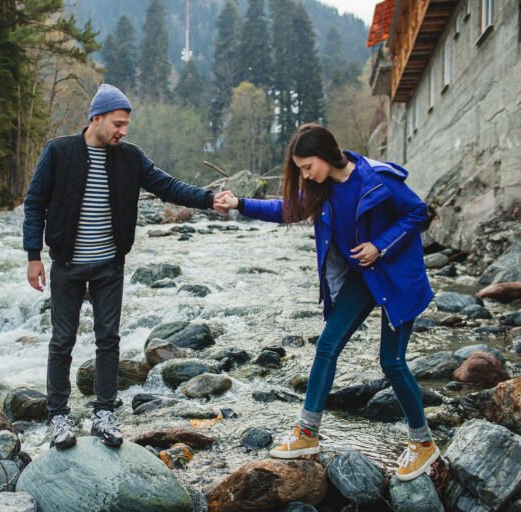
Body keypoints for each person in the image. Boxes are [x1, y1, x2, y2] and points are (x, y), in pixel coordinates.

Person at [214, 123, 438, 481]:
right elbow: (286, 209)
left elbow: (417, 212)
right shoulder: (322, 189)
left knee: (392, 362)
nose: (305, 175)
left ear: (325, 155)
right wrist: (239, 203)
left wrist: (380, 245)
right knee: (327, 345)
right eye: (300, 169)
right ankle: (307, 433)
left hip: (396, 277)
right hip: (361, 278)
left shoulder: (376, 178)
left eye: (307, 166)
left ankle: (423, 443)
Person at [23, 83, 224, 450]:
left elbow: (168, 187)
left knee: (108, 339)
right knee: (62, 340)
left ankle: (104, 413)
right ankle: (59, 416)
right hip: (67, 264)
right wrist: (33, 254)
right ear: (96, 118)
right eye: (118, 123)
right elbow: (35, 202)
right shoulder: (59, 151)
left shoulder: (130, 158)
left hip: (109, 266)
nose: (123, 131)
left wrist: (209, 199)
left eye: (126, 124)